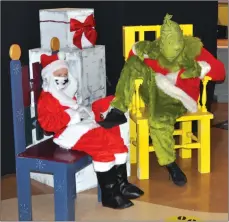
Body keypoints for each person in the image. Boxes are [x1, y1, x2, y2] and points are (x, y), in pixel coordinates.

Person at [98, 14, 226, 187]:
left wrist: (199, 68)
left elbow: (220, 72)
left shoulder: (195, 50)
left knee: (158, 120)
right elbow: (131, 56)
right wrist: (139, 52)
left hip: (178, 97)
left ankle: (170, 164)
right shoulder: (154, 49)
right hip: (152, 89)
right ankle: (119, 108)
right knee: (134, 63)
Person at [37, 52, 144, 210]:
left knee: (114, 139)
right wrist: (70, 116)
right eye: (58, 74)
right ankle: (109, 195)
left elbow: (77, 109)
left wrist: (86, 111)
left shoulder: (65, 93)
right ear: (48, 77)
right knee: (101, 145)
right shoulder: (46, 99)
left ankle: (122, 185)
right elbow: (47, 125)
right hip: (67, 134)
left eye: (65, 74)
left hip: (80, 125)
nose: (63, 77)